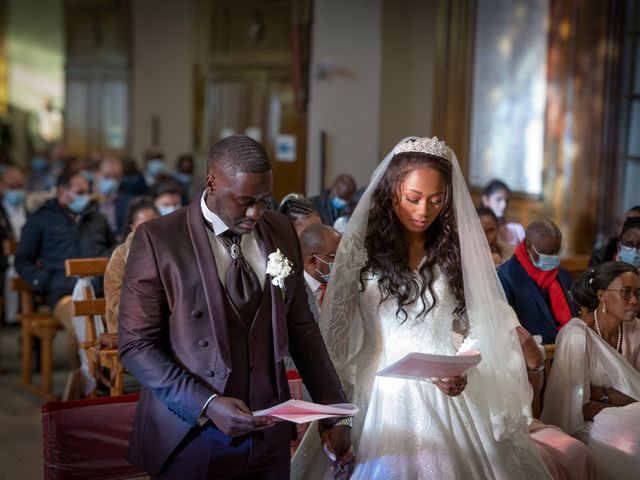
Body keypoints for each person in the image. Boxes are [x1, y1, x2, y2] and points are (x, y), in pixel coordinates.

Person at [292, 136, 552, 479]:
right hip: (380, 389)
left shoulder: (454, 249)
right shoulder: (360, 246)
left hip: (445, 391)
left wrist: (462, 367)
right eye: (413, 198)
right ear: (391, 192)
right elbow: (336, 337)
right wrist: (336, 415)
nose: (423, 211)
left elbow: (481, 324)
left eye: (436, 200)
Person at [118, 135, 352, 478]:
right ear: (211, 182)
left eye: (263, 200)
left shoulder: (280, 229)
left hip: (269, 430)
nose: (255, 212)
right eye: (244, 201)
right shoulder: (159, 239)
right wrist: (206, 404)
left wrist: (333, 412)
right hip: (192, 431)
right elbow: (136, 345)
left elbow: (302, 328)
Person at [541, 262, 640, 479]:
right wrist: (613, 397)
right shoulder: (576, 336)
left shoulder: (635, 329)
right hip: (588, 425)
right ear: (602, 295)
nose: (634, 301)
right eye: (626, 293)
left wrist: (603, 394)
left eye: (637, 293)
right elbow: (576, 407)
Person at [15, 170, 115, 365]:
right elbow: (22, 260)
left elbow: (114, 249)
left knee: (128, 321)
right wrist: (46, 282)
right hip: (64, 293)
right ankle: (88, 384)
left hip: (103, 291)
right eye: (80, 191)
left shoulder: (97, 218)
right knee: (82, 325)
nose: (85, 196)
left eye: (88, 191)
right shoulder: (40, 220)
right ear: (62, 193)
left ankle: (112, 379)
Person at [498, 219, 578, 343]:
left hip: (570, 342)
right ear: (529, 247)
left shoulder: (563, 274)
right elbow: (509, 330)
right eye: (548, 253)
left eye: (557, 251)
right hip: (537, 352)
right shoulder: (506, 277)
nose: (553, 257)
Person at [103, 197, 159, 333]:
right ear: (133, 227)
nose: (150, 228)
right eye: (144, 224)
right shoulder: (121, 254)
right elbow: (114, 298)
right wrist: (150, 310)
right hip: (130, 326)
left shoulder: (169, 250)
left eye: (155, 222)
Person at [0, 166, 28, 324]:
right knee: (13, 271)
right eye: (12, 187)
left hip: (26, 257)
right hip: (4, 263)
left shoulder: (29, 209)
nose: (17, 192)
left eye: (20, 187)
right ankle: (13, 316)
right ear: (2, 187)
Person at [299, 223, 340, 317]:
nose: (342, 261)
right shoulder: (292, 291)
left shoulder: (344, 283)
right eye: (334, 256)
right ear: (312, 261)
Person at [480, 179, 525, 246]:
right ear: (486, 200)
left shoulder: (516, 230)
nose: (504, 205)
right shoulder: (478, 229)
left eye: (507, 201)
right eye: (498, 199)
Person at [96, 155, 132, 238]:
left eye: (116, 177)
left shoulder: (128, 202)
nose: (111, 181)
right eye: (107, 176)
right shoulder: (87, 201)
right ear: (97, 175)